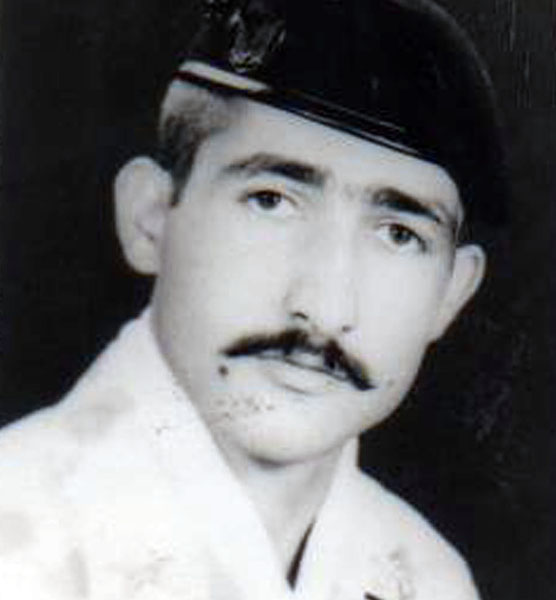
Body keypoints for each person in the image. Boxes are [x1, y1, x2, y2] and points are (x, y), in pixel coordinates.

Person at [0, 0, 508, 598]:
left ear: (452, 293)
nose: (325, 306)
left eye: (399, 234)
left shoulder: (430, 580)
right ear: (150, 217)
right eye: (271, 201)